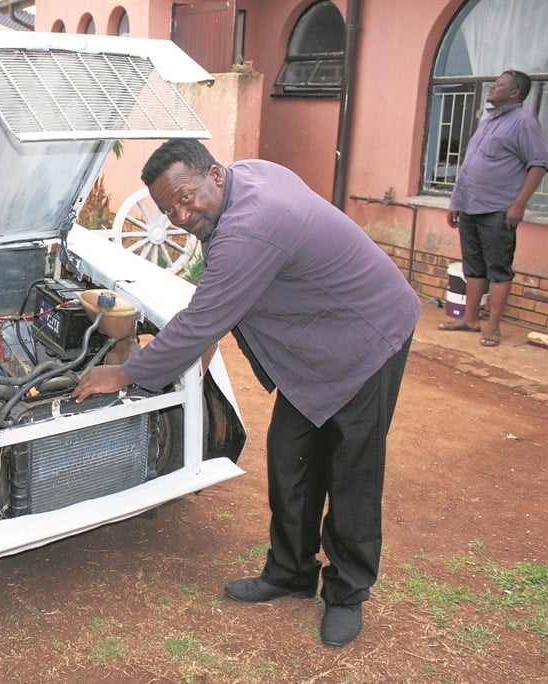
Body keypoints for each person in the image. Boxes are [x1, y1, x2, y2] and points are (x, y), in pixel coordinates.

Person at [71, 139, 421, 647]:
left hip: (369, 334)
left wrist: (124, 374)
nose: (182, 215)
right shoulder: (246, 176)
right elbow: (214, 299)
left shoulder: (253, 227)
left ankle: (346, 594)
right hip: (317, 342)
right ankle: (290, 572)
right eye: (169, 210)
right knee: (291, 457)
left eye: (186, 199)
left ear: (214, 175)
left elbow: (205, 318)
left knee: (352, 470)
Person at [441, 69, 548, 347]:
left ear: (515, 93)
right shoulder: (488, 120)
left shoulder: (524, 122)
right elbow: (467, 167)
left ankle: (493, 327)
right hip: (470, 207)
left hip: (499, 209)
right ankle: (470, 319)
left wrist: (519, 204)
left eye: (499, 85)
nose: (491, 88)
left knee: (498, 269)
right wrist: (456, 202)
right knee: (473, 267)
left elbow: (538, 164)